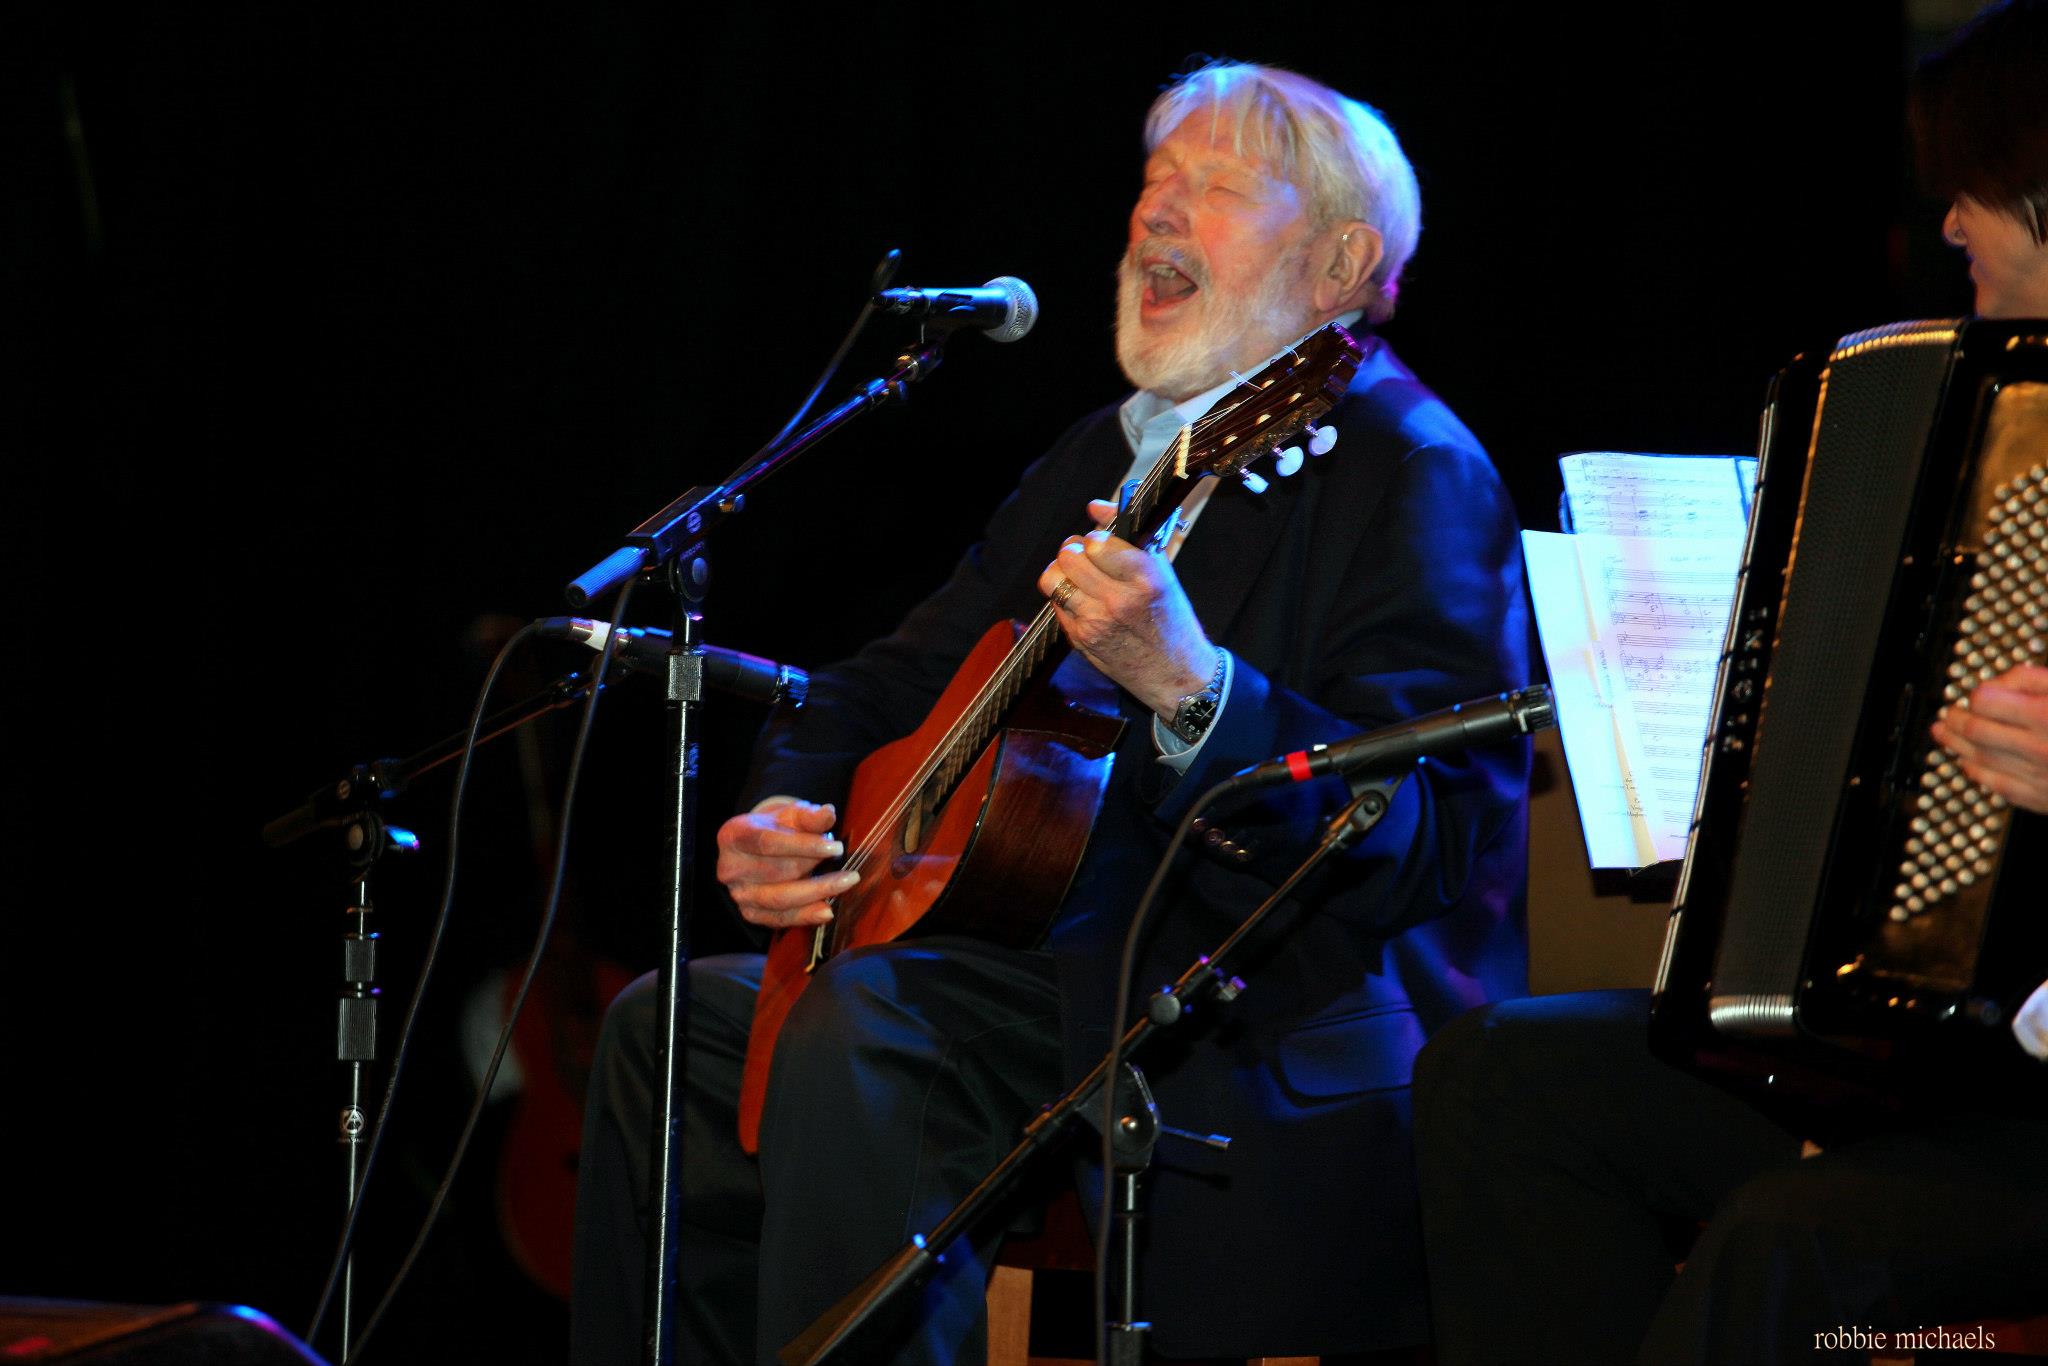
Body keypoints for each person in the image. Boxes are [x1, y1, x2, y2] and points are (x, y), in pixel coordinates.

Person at [570, 62, 1531, 1365]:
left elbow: (1425, 832)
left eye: (1216, 185)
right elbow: (890, 679)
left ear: (1340, 262)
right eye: (1154, 181)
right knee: (664, 1027)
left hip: (1243, 1010)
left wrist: (1193, 687)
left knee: (871, 1023)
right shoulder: (1107, 453)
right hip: (1033, 973)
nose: (1156, 213)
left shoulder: (1412, 469)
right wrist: (786, 811)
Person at [1412, 4, 2048, 1362]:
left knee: (1786, 1240)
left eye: (1977, 188)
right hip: (1955, 1056)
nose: (1948, 224)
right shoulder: (1997, 430)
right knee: (1504, 1077)